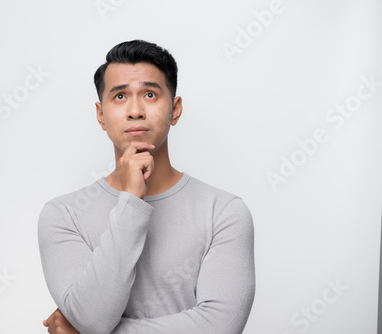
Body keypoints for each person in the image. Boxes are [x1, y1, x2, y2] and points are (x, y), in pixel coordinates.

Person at [38, 39, 255, 334]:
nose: (136, 110)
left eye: (150, 94)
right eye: (120, 97)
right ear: (101, 115)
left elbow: (220, 326)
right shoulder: (63, 215)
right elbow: (92, 318)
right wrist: (131, 201)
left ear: (175, 109)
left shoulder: (224, 211)